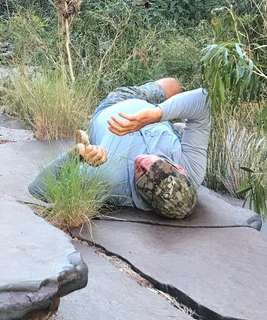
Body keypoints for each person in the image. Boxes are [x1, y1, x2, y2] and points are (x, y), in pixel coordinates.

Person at [28, 77, 211, 219]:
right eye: (156, 164)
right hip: (154, 119)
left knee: (180, 118)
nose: (142, 162)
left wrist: (77, 154)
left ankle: (88, 138)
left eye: (142, 174)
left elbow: (38, 189)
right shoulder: (193, 172)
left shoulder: (111, 182)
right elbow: (203, 98)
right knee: (173, 86)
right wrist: (156, 114)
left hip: (115, 106)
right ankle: (173, 123)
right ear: (179, 169)